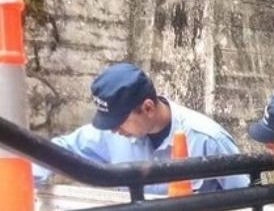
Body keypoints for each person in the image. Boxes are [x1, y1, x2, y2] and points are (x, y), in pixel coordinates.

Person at [33, 62, 249, 194]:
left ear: (147, 108)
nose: (114, 130)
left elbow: (247, 200)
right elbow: (58, 152)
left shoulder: (207, 139)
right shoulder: (109, 135)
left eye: (119, 121)